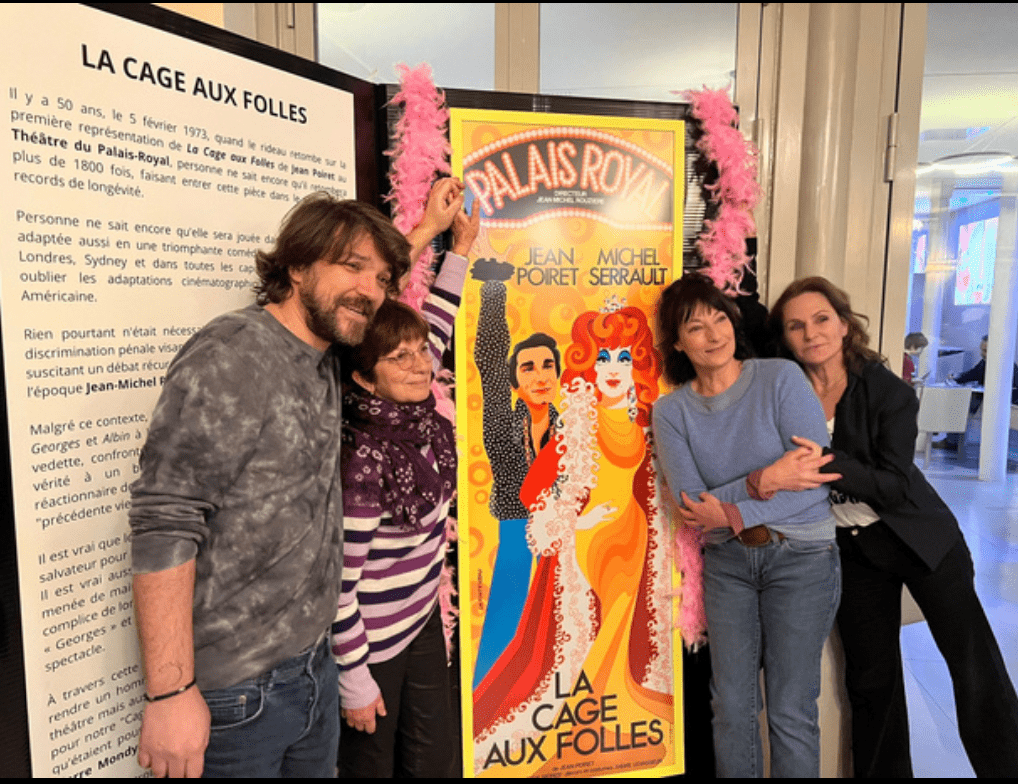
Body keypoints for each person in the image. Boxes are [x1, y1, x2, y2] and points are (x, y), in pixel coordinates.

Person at [128, 183, 462, 778]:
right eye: (352, 265)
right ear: (298, 266)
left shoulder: (329, 356)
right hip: (237, 694)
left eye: (382, 278)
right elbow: (165, 521)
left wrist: (429, 234)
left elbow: (392, 321)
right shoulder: (232, 354)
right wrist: (169, 693)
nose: (370, 289)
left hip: (315, 671)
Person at [769, 277, 1018, 778]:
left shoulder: (888, 390)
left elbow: (893, 484)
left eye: (821, 319)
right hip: (851, 551)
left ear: (843, 324)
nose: (810, 333)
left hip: (922, 541)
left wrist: (826, 463)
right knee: (871, 680)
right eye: (795, 326)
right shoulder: (781, 391)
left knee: (974, 668)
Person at [651, 273, 840, 778]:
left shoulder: (780, 378)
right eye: (697, 326)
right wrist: (767, 479)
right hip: (729, 565)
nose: (714, 335)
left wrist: (732, 508)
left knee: (789, 708)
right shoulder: (671, 411)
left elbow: (815, 477)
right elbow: (691, 503)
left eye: (720, 319)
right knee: (730, 708)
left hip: (801, 556)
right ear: (677, 342)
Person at [473, 301, 673, 776]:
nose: (612, 370)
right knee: (577, 646)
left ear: (639, 367)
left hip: (635, 546)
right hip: (584, 550)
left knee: (625, 642)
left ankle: (614, 738)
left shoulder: (652, 424)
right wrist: (577, 523)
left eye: (623, 359)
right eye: (602, 359)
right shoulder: (573, 425)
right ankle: (567, 746)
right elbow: (531, 494)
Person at [331, 197, 478, 777]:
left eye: (421, 354)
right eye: (400, 358)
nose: (421, 366)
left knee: (432, 760)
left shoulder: (417, 414)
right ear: (365, 377)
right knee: (372, 767)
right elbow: (339, 587)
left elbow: (436, 320)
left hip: (419, 622)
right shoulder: (365, 459)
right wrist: (354, 679)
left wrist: (457, 246)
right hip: (371, 645)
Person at [470, 257, 562, 687]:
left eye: (548, 365)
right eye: (528, 366)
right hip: (515, 527)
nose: (540, 375)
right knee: (507, 620)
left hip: (565, 535)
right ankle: (491, 694)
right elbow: (489, 360)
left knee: (561, 628)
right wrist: (493, 288)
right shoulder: (500, 419)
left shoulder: (570, 423)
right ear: (514, 379)